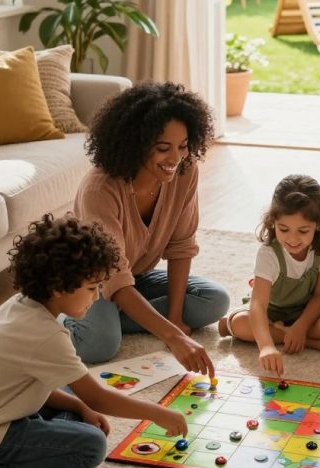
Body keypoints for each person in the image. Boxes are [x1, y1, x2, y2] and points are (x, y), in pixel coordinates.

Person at [0, 215, 187, 468]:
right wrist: (156, 413)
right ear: (58, 287)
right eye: (91, 288)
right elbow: (98, 398)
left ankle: (42, 466)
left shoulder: (25, 306)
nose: (98, 297)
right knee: (90, 446)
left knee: (75, 396)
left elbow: (48, 388)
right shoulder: (43, 334)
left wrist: (79, 405)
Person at [67, 81, 230, 371]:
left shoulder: (184, 169)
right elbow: (113, 277)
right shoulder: (99, 190)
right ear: (135, 144)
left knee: (215, 301)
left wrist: (176, 319)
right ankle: (60, 312)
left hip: (135, 275)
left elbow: (181, 246)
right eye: (163, 148)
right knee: (100, 344)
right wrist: (174, 336)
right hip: (87, 281)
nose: (176, 158)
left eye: (182, 146)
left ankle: (118, 315)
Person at [218, 174, 320, 376]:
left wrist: (302, 326)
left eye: (303, 231)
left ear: (318, 224)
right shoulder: (269, 253)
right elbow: (258, 304)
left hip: (311, 309)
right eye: (284, 229)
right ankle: (309, 342)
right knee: (241, 323)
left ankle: (284, 333)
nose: (292, 239)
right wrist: (267, 347)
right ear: (272, 221)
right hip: (273, 310)